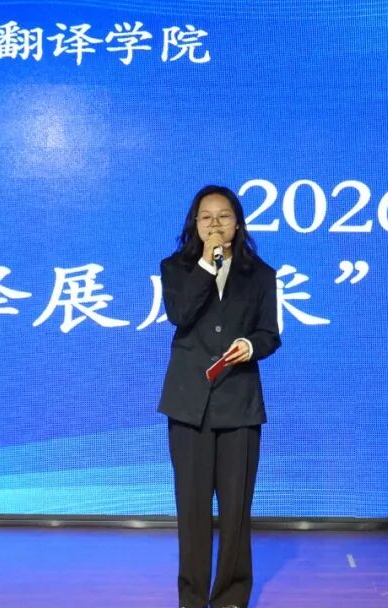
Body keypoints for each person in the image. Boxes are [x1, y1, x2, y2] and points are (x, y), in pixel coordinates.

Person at [158, 184, 281, 608]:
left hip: (239, 404)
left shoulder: (260, 274)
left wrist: (251, 345)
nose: (215, 224)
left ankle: (231, 595)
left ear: (238, 224)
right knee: (192, 511)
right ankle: (192, 598)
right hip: (189, 405)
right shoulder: (176, 268)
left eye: (224, 216)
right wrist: (206, 268)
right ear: (194, 224)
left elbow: (270, 334)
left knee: (235, 510)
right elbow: (180, 314)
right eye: (206, 217)